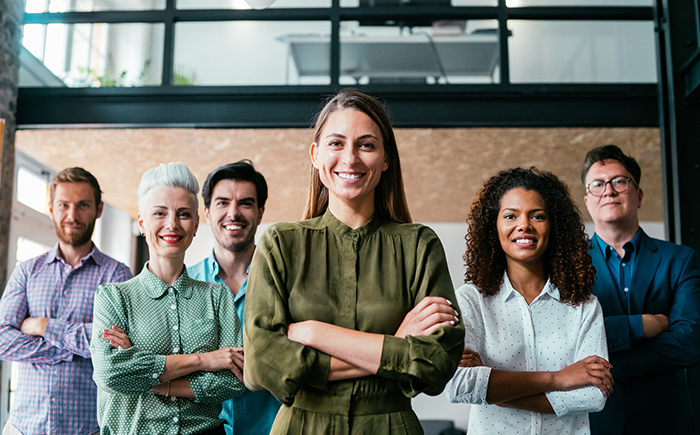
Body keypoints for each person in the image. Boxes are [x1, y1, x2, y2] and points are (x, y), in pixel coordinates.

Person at [244, 88, 465, 434]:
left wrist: (315, 333)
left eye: (366, 144)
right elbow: (262, 365)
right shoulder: (279, 244)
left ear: (386, 158)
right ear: (315, 155)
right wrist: (397, 344)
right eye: (336, 143)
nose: (350, 159)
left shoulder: (419, 245)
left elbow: (437, 362)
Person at [447, 167, 612, 434]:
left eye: (537, 215)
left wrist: (489, 386)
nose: (524, 224)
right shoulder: (471, 301)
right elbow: (458, 386)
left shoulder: (584, 306)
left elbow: (594, 395)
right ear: (494, 226)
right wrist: (559, 379)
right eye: (510, 215)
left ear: (553, 225)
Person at [90, 162, 245, 434]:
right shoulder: (113, 298)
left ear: (196, 225)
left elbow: (235, 380)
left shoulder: (216, 295)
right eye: (159, 213)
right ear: (142, 221)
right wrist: (205, 360)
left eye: (183, 214)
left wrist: (151, 378)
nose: (172, 224)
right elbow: (110, 374)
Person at [0, 167, 133, 435]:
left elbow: (113, 346)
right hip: (23, 428)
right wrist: (73, 350)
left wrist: (44, 326)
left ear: (98, 209)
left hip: (87, 429)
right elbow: (2, 339)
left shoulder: (117, 275)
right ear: (51, 208)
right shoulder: (27, 271)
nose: (72, 216)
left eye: (83, 205)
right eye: (64, 205)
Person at [581, 145, 700, 434]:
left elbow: (689, 343)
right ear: (587, 200)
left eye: (620, 181)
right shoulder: (568, 266)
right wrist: (639, 326)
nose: (608, 191)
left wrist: (602, 362)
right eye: (598, 184)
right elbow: (565, 338)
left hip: (667, 420)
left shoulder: (681, 260)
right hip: (595, 422)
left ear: (639, 194)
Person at [188, 160, 281, 435]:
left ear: (260, 212)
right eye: (222, 202)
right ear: (206, 212)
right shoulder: (183, 285)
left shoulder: (284, 283)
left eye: (245, 203)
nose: (233, 213)